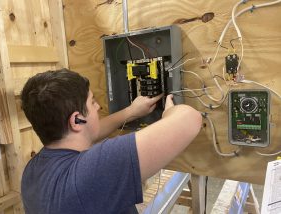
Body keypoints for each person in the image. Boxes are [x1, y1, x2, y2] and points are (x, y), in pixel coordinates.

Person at [20, 68, 202, 214]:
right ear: (76, 120)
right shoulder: (92, 171)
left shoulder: (32, 171)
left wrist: (131, 111)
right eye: (92, 102)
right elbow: (190, 119)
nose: (98, 107)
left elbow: (88, 133)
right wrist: (168, 114)